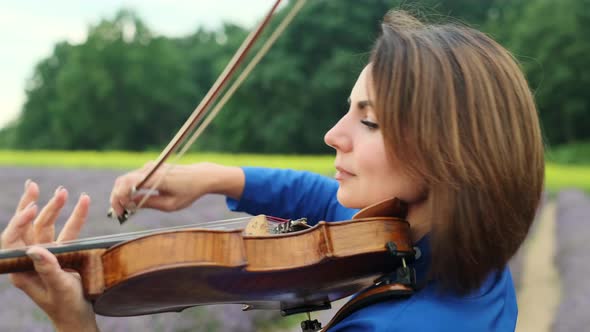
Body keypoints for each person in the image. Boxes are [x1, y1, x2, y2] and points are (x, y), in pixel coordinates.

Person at [1, 10, 544, 331]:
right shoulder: (460, 256)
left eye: (369, 121)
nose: (334, 135)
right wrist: (215, 178)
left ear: (447, 152)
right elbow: (323, 202)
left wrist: (76, 325)